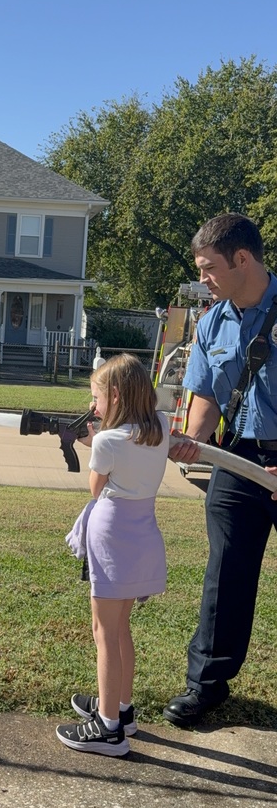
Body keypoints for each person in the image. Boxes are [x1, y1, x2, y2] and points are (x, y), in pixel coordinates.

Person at [164, 212, 277, 727]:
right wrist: (194, 442)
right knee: (226, 572)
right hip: (237, 459)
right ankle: (206, 685)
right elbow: (206, 396)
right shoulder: (212, 320)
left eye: (209, 268)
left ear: (242, 259)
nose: (203, 278)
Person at [56, 354, 170, 757]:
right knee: (121, 629)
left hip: (111, 537)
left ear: (116, 395)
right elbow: (134, 451)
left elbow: (95, 486)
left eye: (96, 398)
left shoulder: (106, 441)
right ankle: (121, 708)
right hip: (142, 535)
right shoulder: (161, 428)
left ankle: (107, 728)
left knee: (103, 633)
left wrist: (94, 442)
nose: (93, 406)